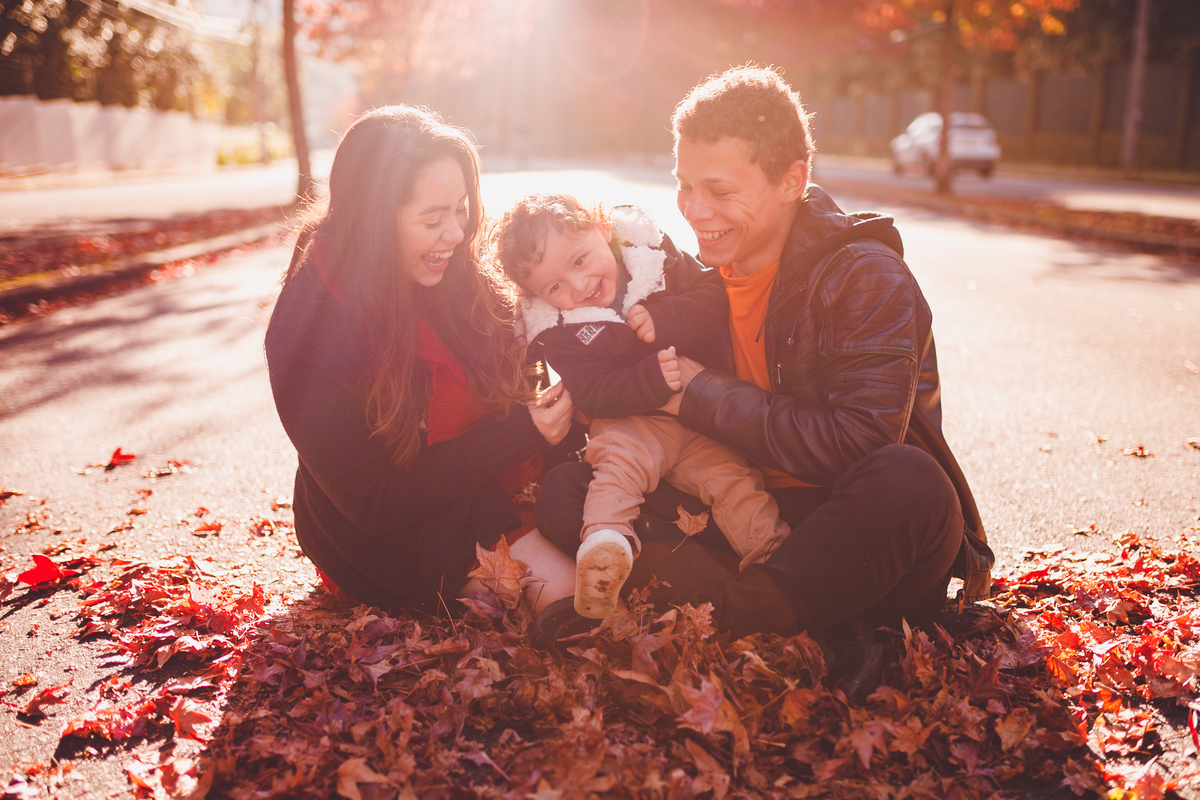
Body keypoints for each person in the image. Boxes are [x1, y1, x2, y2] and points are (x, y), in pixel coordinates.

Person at [535, 67, 995, 662]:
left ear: (791, 181)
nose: (696, 211)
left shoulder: (863, 275)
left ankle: (725, 618)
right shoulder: (688, 282)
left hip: (852, 533)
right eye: (685, 186)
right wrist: (581, 402)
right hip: (739, 517)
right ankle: (809, 631)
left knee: (911, 482)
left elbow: (860, 443)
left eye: (720, 192)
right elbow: (634, 412)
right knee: (569, 491)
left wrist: (697, 393)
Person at [264, 106, 581, 618]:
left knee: (627, 536)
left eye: (460, 209)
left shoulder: (453, 267)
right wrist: (526, 432)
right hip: (393, 530)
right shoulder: (309, 330)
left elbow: (523, 369)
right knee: (568, 593)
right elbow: (375, 502)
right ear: (372, 221)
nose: (456, 233)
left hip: (487, 470)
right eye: (432, 219)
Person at [490, 195, 790, 619]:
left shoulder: (654, 258)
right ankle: (606, 546)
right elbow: (591, 392)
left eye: (579, 260)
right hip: (630, 424)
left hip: (699, 420)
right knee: (615, 475)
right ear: (538, 297)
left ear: (603, 229)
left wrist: (668, 318)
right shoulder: (559, 331)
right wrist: (648, 381)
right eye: (554, 287)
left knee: (736, 483)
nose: (578, 287)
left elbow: (713, 295)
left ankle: (775, 560)